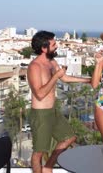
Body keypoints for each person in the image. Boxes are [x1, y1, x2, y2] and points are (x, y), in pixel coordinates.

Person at [28, 31, 91, 173]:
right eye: (53, 44)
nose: (57, 46)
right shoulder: (35, 67)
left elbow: (65, 78)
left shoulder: (51, 62)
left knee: (69, 137)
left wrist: (89, 80)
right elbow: (39, 94)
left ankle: (48, 167)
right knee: (38, 152)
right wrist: (56, 76)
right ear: (44, 48)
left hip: (53, 111)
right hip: (40, 114)